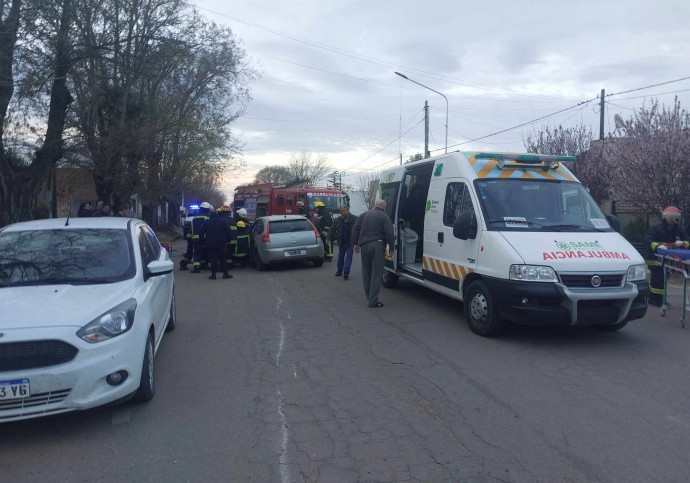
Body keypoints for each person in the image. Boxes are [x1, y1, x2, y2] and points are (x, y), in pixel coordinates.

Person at [352, 199, 395, 308]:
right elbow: (389, 233)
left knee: (366, 273)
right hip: (377, 245)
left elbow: (355, 229)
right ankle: (373, 301)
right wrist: (391, 248)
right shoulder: (384, 216)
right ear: (384, 207)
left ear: (376, 206)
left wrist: (355, 244)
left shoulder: (364, 215)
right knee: (376, 273)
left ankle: (369, 297)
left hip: (365, 246)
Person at [644, 205, 690, 306]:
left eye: (674, 217)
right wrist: (657, 246)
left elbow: (687, 240)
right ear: (665, 217)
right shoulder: (657, 227)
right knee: (658, 277)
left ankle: (658, 298)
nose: (672, 220)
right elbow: (648, 239)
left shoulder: (679, 229)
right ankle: (655, 300)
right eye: (670, 217)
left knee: (663, 277)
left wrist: (682, 243)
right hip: (654, 257)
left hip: (669, 256)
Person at [199, 208, 233, 280]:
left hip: (210, 244)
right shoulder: (223, 221)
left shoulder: (207, 222)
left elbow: (201, 233)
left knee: (213, 259)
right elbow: (229, 232)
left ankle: (213, 275)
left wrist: (202, 242)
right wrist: (229, 240)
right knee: (223, 259)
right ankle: (225, 273)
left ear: (210, 214)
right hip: (222, 243)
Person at [330, 206, 358, 280]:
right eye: (342, 211)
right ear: (341, 212)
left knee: (349, 256)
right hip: (342, 241)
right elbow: (332, 229)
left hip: (351, 242)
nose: (344, 212)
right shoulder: (337, 220)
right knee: (340, 256)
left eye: (345, 210)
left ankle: (346, 271)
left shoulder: (354, 218)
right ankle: (339, 270)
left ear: (348, 210)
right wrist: (329, 238)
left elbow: (359, 229)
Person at [191, 202, 212, 273]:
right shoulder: (208, 217)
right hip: (205, 238)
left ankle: (197, 266)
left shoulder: (195, 218)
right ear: (207, 209)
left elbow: (191, 229)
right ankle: (204, 264)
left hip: (195, 238)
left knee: (197, 252)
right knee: (205, 251)